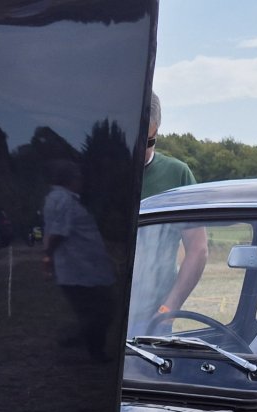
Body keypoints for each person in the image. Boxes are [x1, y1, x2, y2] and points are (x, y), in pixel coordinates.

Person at [130, 92, 208, 334]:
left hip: (152, 320)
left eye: (149, 141)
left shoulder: (178, 175)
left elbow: (198, 249)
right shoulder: (103, 173)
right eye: (135, 138)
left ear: (158, 130)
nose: (141, 148)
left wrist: (168, 309)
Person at [43, 160, 116, 356]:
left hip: (82, 266)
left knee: (93, 310)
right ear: (70, 179)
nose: (81, 180)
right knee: (101, 310)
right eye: (78, 176)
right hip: (79, 267)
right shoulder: (64, 200)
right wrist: (48, 256)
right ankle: (92, 350)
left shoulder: (60, 198)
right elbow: (58, 232)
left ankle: (80, 342)